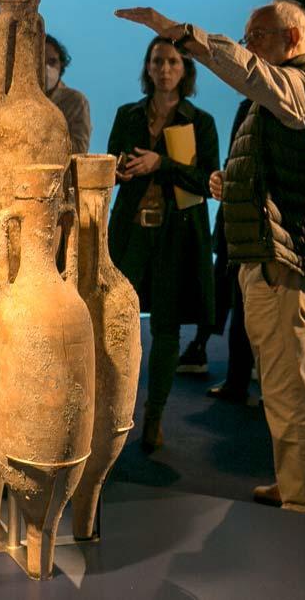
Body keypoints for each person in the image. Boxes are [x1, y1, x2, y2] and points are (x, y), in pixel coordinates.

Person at [117, 0, 305, 514]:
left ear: (294, 40)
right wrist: (228, 181)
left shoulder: (303, 86)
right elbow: (274, 167)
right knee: (281, 385)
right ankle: (292, 484)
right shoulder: (275, 100)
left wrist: (181, 32)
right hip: (264, 257)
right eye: (246, 37)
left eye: (257, 36)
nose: (247, 47)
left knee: (287, 387)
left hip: (285, 261)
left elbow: (248, 72)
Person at [106, 36, 219, 454]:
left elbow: (207, 180)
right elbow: (110, 163)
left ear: (185, 69)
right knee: (117, 322)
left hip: (176, 234)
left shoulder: (199, 121)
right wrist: (119, 170)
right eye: (157, 60)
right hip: (131, 231)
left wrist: (162, 164)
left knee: (167, 327)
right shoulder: (128, 114)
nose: (165, 68)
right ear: (147, 67)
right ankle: (116, 415)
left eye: (173, 61)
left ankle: (154, 417)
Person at [205, 98, 258, 405]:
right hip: (238, 221)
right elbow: (233, 163)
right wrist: (221, 181)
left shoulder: (289, 103)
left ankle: (257, 380)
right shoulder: (245, 105)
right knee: (240, 303)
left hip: (267, 226)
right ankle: (238, 379)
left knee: (257, 310)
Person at [44, 34, 91, 154]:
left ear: (61, 64)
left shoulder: (76, 101)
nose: (47, 68)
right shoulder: (16, 100)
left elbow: (80, 149)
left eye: (52, 62)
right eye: (40, 61)